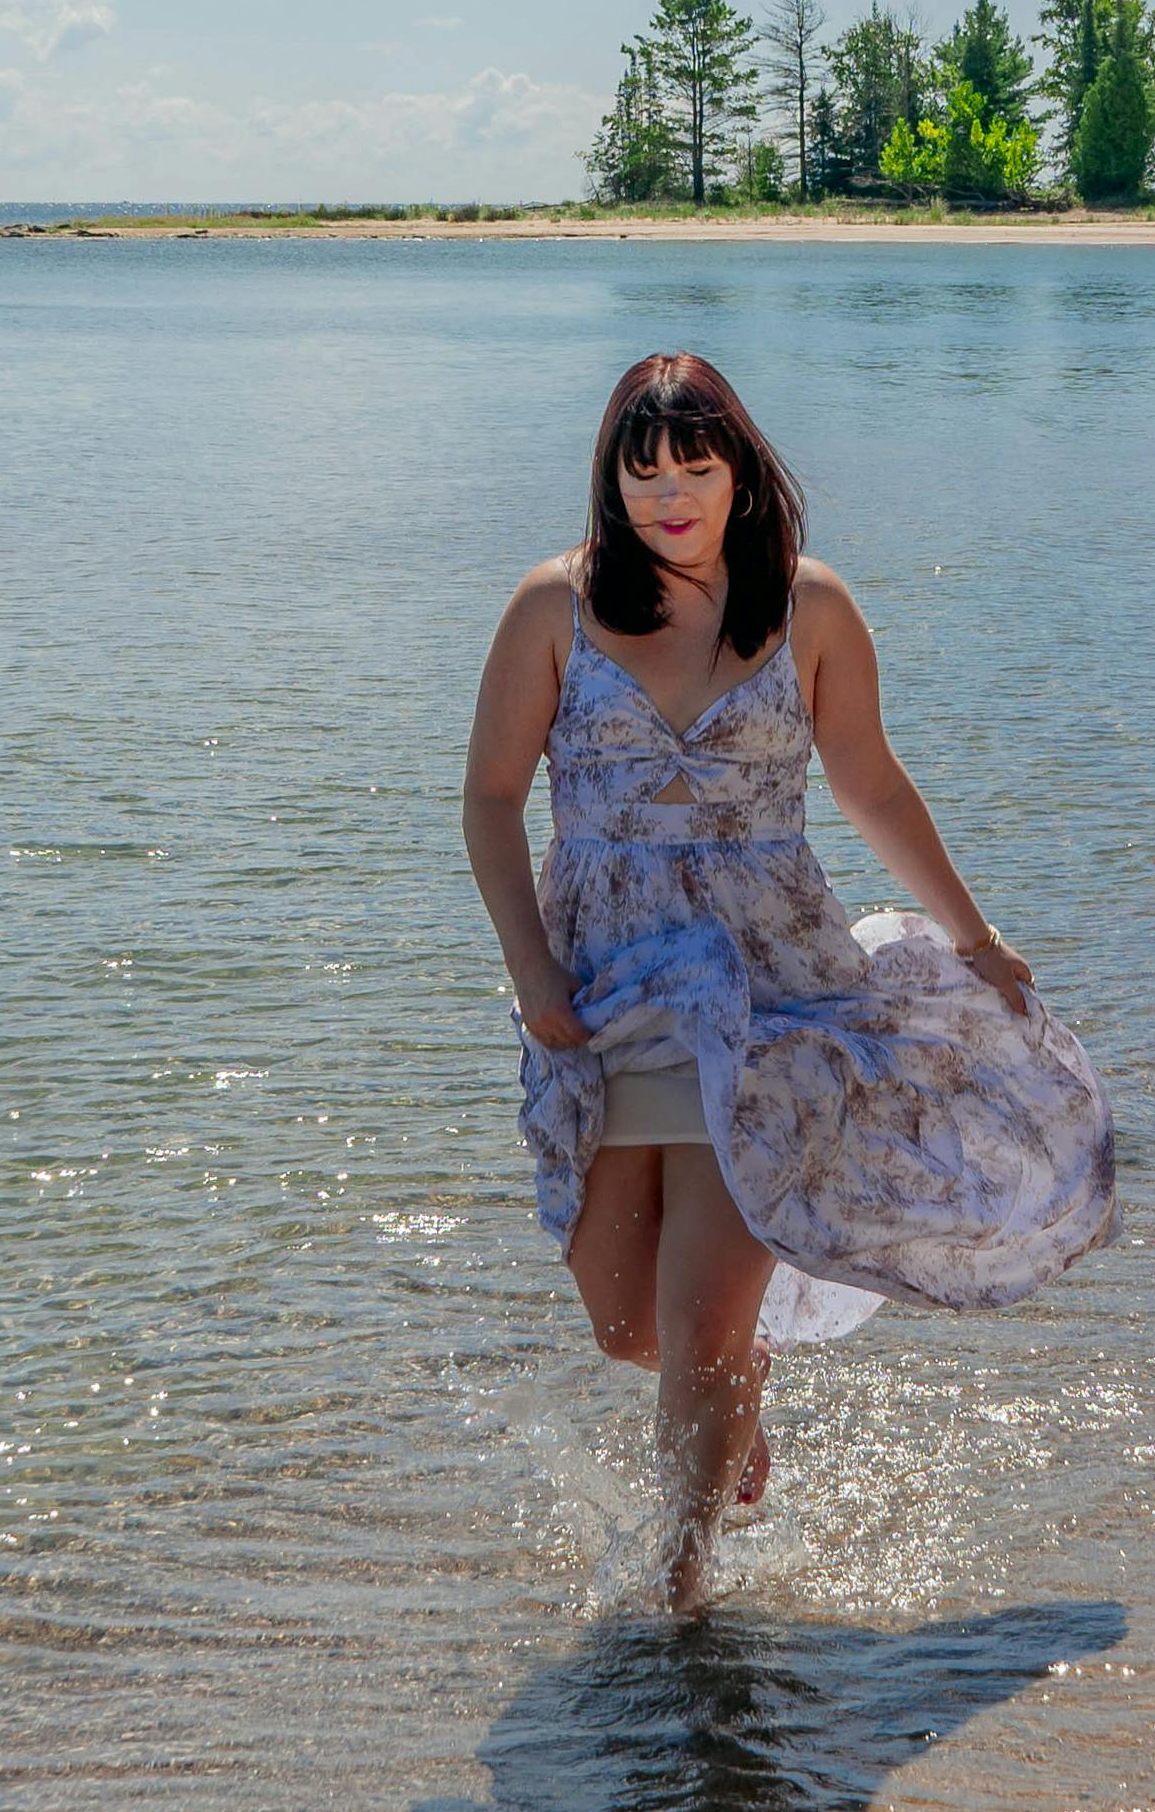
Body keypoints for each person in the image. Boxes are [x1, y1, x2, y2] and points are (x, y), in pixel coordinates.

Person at [460, 351, 1118, 1612]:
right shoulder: (553, 608)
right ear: (609, 477)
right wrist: (527, 964)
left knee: (696, 1333)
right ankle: (733, 1399)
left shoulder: (806, 608)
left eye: (693, 470)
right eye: (641, 471)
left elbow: (867, 783)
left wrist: (972, 938)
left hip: (770, 999)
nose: (668, 498)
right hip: (605, 990)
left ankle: (679, 1580)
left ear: (737, 471)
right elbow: (490, 800)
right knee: (624, 1322)